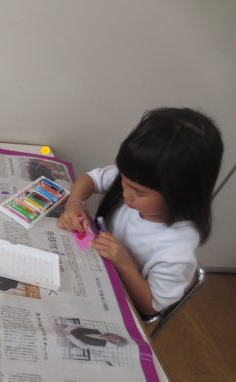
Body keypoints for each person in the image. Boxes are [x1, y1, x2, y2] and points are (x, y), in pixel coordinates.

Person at [58, 108, 223, 316]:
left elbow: (150, 307)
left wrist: (124, 263)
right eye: (124, 181)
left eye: (139, 192)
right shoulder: (137, 178)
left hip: (116, 301)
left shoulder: (175, 252)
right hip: (91, 265)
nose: (126, 194)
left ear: (181, 193)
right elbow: (91, 179)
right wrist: (74, 203)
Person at [63, 325, 128, 350]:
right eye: (117, 337)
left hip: (71, 337)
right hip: (71, 328)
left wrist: (69, 336)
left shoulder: (101, 344)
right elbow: (84, 326)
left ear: (114, 343)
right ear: (117, 335)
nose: (114, 338)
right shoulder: (100, 330)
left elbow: (83, 345)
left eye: (115, 340)